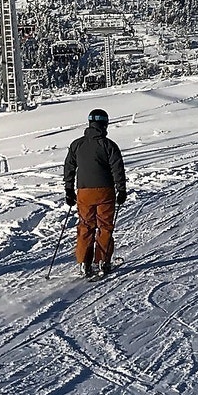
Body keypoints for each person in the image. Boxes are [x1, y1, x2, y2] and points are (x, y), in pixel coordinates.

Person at [64, 107, 127, 277]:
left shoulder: (77, 144)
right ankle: (102, 261)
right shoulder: (109, 145)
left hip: (84, 191)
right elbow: (117, 169)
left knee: (86, 226)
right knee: (105, 226)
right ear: (105, 124)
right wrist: (121, 189)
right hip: (105, 191)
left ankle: (84, 262)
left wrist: (69, 189)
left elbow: (69, 167)